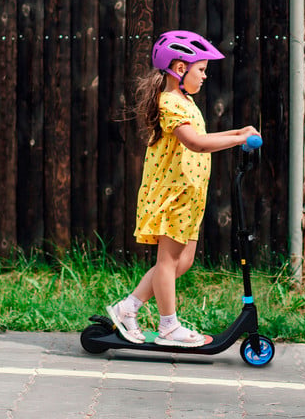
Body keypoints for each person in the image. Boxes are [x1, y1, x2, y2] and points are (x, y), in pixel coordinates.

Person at [107, 30, 260, 347]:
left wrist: (239, 131)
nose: (205, 76)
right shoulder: (170, 104)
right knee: (167, 262)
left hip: (189, 197)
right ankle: (168, 328)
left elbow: (202, 138)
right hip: (172, 196)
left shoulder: (185, 101)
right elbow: (196, 143)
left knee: (182, 262)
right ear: (179, 69)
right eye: (201, 70)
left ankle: (127, 308)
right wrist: (238, 139)